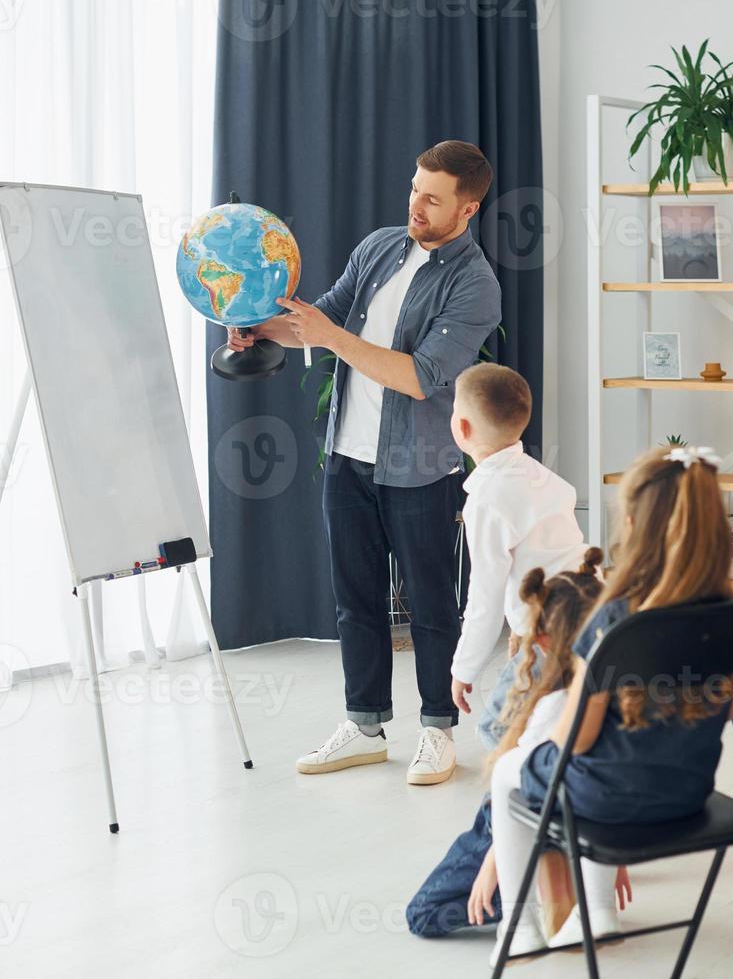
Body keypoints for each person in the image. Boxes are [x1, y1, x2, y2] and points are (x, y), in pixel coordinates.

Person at [229, 141, 502, 784]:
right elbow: (317, 319)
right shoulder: (380, 247)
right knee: (355, 599)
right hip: (347, 455)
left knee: (433, 604)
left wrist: (330, 338)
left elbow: (419, 377)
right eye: (414, 189)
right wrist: (259, 327)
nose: (416, 205)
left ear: (468, 209)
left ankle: (437, 729)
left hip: (420, 467)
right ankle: (365, 725)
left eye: (432, 199)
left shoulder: (475, 284)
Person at [487, 445, 733, 962]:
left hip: (610, 802)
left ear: (633, 523)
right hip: (689, 794)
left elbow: (578, 738)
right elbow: (731, 709)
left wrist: (536, 743)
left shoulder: (614, 618)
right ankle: (596, 912)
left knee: (512, 771)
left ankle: (518, 926)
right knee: (612, 759)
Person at [405, 555, 630, 940]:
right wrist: (612, 849)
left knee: (423, 915)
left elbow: (512, 787)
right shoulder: (619, 688)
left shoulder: (545, 700)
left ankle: (528, 899)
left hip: (524, 811)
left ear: (541, 637)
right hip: (577, 811)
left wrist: (496, 859)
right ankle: (553, 879)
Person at [445, 363, 591, 753]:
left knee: (498, 730)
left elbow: (485, 600)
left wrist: (463, 669)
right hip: (590, 614)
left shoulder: (488, 502)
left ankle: (539, 802)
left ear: (462, 428)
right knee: (560, 715)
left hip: (550, 634)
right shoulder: (545, 479)